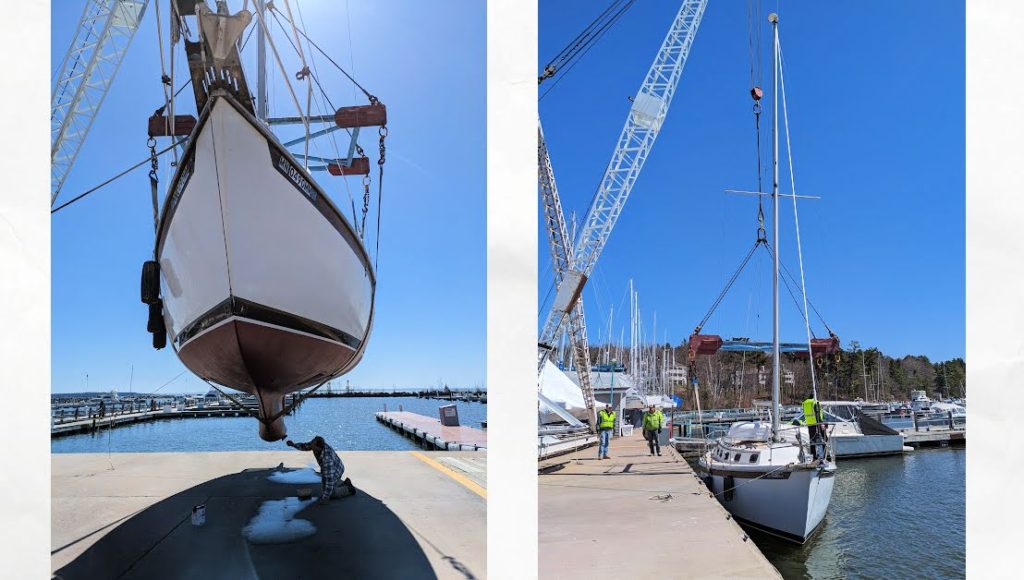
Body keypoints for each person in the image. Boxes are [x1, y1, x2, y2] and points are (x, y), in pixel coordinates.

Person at [286, 435, 356, 504]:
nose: (311, 447)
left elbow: (329, 482)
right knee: (326, 489)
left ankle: (349, 489)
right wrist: (293, 445)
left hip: (336, 470)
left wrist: (325, 499)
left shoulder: (327, 460)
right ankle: (346, 484)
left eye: (313, 446)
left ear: (319, 448)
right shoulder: (316, 445)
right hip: (333, 466)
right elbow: (305, 446)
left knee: (331, 493)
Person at [802, 394, 825, 460]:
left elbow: (804, 413)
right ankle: (823, 456)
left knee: (812, 440)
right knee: (824, 439)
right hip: (817, 422)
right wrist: (821, 423)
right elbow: (817, 413)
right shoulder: (814, 402)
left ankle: (813, 456)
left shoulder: (804, 403)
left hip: (809, 423)